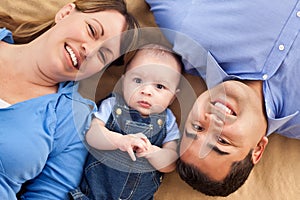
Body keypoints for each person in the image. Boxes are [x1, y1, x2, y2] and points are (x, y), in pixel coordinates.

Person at [145, 0, 300, 197]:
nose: (212, 120)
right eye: (222, 140)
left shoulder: (184, 29)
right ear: (258, 150)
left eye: (198, 127)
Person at [0, 0, 139, 199]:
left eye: (102, 55)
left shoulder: (73, 119)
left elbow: (50, 194)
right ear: (65, 13)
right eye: (92, 30)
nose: (89, 51)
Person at [69, 43, 182, 200]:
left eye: (159, 86)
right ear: (123, 82)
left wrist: (154, 153)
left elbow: (170, 162)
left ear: (173, 97)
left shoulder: (168, 121)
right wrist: (119, 140)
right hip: (93, 194)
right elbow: (92, 134)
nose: (146, 91)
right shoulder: (112, 105)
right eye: (137, 80)